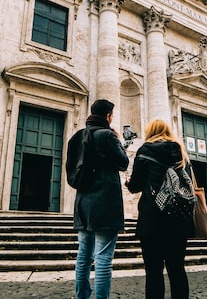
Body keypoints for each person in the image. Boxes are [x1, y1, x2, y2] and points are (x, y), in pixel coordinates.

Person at [125, 119, 194, 299]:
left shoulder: (145, 150)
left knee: (154, 270)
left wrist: (128, 183)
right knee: (177, 269)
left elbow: (136, 185)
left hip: (152, 219)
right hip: (179, 219)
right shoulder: (181, 152)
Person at [72, 99, 129, 299]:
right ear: (108, 116)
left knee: (83, 256)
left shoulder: (78, 135)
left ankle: (82, 297)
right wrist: (119, 140)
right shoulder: (107, 135)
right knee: (104, 257)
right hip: (105, 202)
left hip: (83, 201)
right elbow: (123, 162)